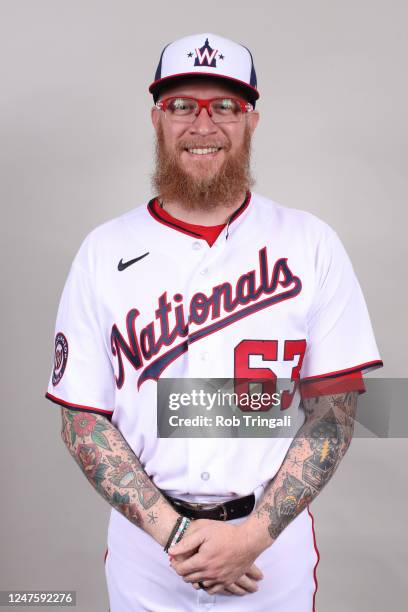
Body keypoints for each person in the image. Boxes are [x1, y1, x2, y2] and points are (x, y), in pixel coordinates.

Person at [45, 33, 383, 611]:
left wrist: (250, 537)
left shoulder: (311, 244)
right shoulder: (104, 250)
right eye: (182, 106)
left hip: (269, 550)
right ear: (157, 119)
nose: (203, 126)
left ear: (251, 120)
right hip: (146, 551)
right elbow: (82, 420)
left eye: (224, 106)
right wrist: (175, 536)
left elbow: (335, 412)